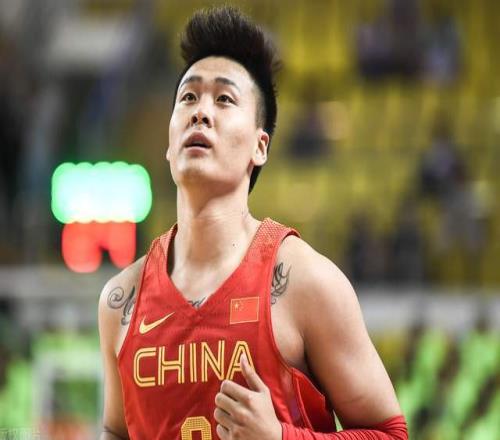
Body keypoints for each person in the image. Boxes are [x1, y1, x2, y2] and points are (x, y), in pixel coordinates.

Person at [98, 6, 408, 440]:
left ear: (260, 147)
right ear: (168, 144)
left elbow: (391, 433)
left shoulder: (307, 283)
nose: (200, 112)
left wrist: (282, 437)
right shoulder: (120, 301)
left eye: (224, 99)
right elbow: (115, 430)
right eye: (188, 97)